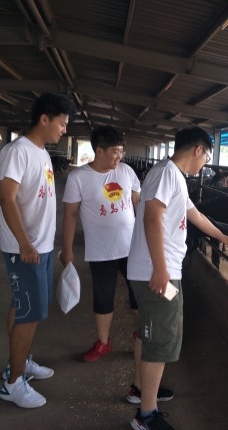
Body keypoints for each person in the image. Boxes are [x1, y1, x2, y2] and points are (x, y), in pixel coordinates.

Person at [127, 126, 228, 430]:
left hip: (158, 271)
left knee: (154, 332)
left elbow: (194, 215)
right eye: (207, 156)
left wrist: (222, 236)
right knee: (161, 338)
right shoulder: (167, 174)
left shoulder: (173, 175)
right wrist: (160, 269)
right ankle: (146, 415)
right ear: (198, 149)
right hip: (157, 273)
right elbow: (151, 218)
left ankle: (142, 392)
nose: (205, 163)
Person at [0, 93, 75, 408]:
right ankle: (13, 384)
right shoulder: (18, 151)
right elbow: (6, 198)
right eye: (62, 123)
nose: (64, 130)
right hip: (25, 249)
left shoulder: (42, 152)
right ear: (44, 119)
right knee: (31, 312)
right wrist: (24, 243)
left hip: (40, 246)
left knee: (23, 307)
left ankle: (20, 362)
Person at [60, 125, 141, 362]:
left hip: (132, 247)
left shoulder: (127, 171)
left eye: (121, 151)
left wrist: (149, 239)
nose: (119, 157)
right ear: (99, 151)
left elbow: (138, 203)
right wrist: (67, 249)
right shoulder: (78, 178)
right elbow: (70, 215)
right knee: (103, 296)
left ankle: (144, 335)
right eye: (115, 151)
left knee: (139, 293)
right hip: (101, 250)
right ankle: (103, 342)